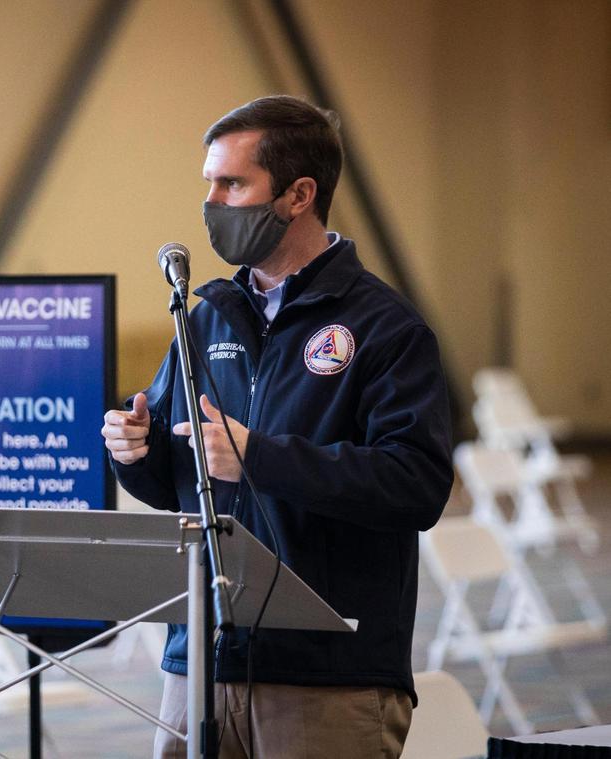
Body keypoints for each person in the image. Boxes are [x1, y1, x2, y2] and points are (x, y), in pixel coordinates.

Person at [101, 95, 452, 758]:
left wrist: (260, 457)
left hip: (327, 673)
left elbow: (418, 485)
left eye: (232, 184)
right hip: (201, 660)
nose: (211, 201)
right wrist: (133, 450)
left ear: (299, 195)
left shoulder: (387, 327)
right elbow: (178, 482)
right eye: (209, 182)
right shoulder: (205, 318)